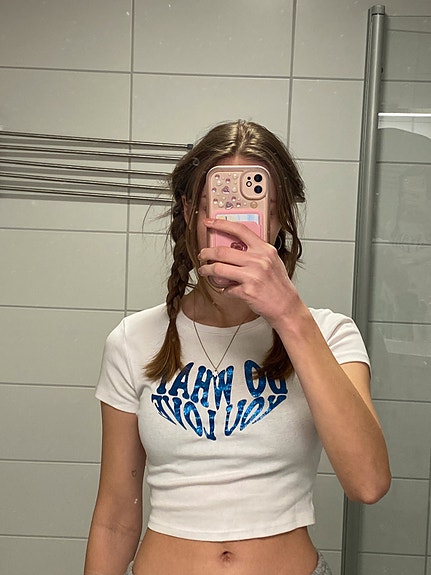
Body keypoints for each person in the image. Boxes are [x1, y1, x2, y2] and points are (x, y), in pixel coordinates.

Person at [84, 120, 391, 575]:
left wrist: (289, 317)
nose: (232, 228)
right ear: (189, 212)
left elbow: (368, 483)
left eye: (255, 210)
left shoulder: (329, 334)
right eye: (217, 208)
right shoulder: (134, 339)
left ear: (279, 219)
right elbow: (114, 518)